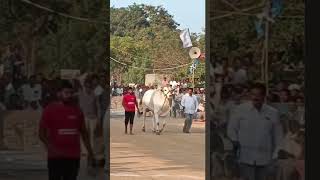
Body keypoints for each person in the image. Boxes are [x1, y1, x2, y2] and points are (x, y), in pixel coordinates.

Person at [39, 80, 95, 180]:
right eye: (66, 93)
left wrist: (90, 152)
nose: (69, 95)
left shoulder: (77, 110)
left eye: (71, 93)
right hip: (55, 157)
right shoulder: (49, 110)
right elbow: (41, 133)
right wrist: (50, 147)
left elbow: (84, 133)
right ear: (59, 93)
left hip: (73, 156)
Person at [227, 83, 283, 180]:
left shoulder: (273, 113)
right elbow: (231, 129)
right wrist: (235, 142)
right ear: (249, 95)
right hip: (244, 156)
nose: (255, 97)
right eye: (253, 94)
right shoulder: (240, 109)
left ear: (264, 96)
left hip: (266, 158)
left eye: (259, 94)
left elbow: (278, 136)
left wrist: (275, 155)